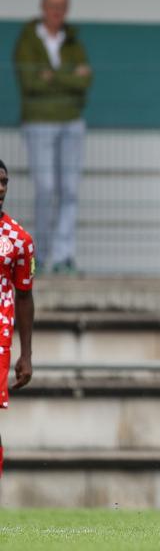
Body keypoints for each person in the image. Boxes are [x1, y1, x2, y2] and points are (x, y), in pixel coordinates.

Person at [14, 0, 92, 274]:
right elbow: (30, 82)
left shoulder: (72, 42)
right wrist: (69, 77)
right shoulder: (27, 41)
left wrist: (52, 76)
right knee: (45, 188)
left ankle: (63, 256)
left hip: (71, 122)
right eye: (52, 6)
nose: (57, 11)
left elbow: (86, 81)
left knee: (69, 190)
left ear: (66, 10)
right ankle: (42, 255)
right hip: (39, 122)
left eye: (62, 6)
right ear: (43, 8)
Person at [0, 159, 37, 479]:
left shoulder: (19, 240)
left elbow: (24, 295)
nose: (0, 188)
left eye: (5, 182)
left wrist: (26, 354)